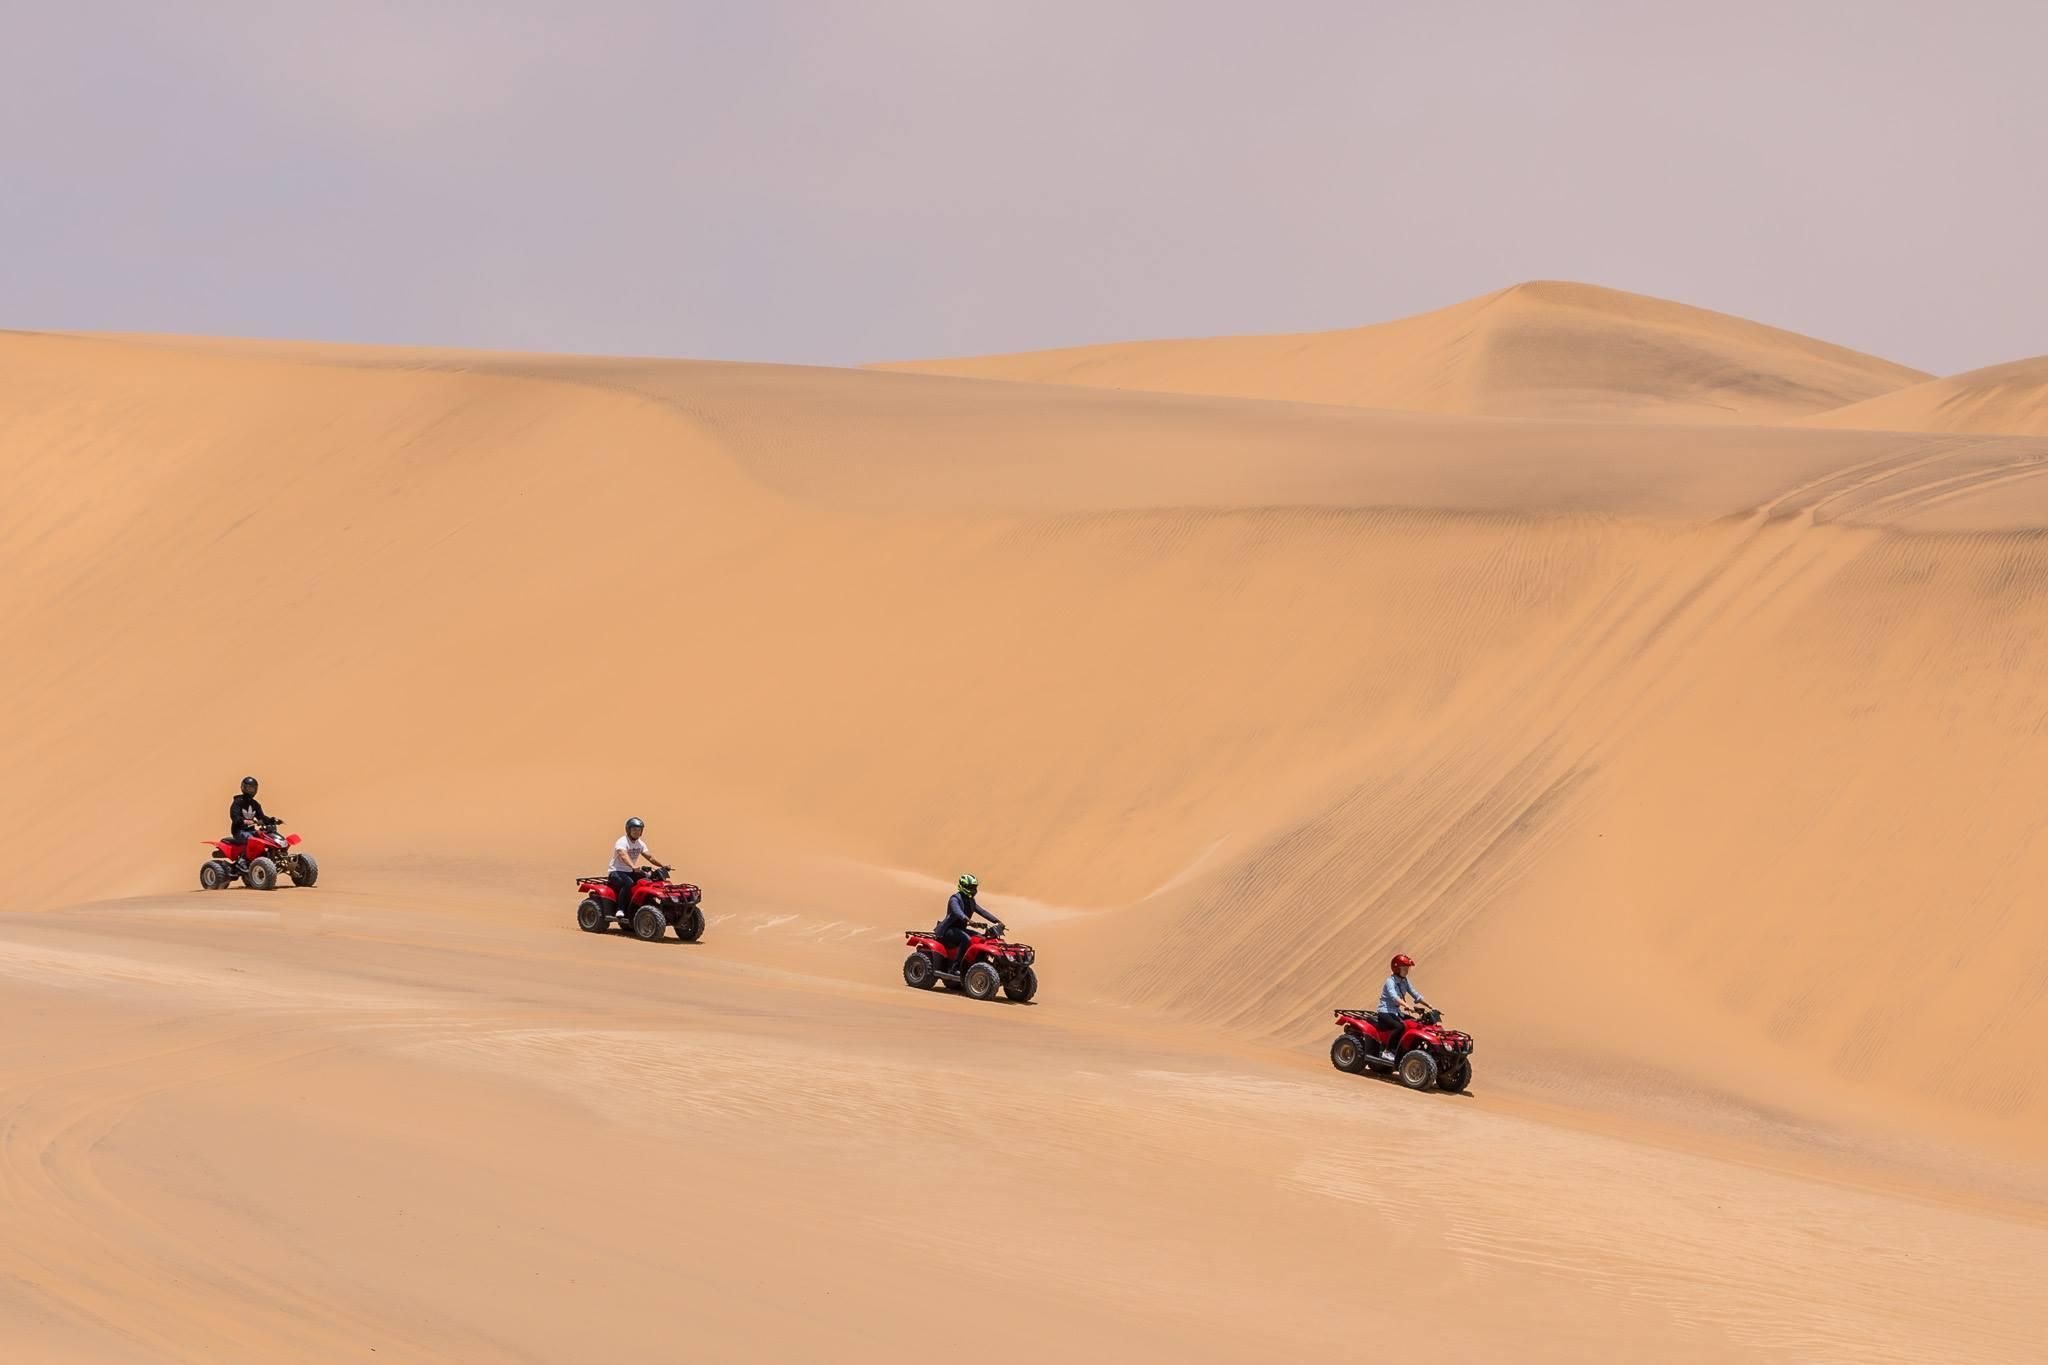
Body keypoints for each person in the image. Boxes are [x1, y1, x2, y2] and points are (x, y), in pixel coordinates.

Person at [936, 873, 1005, 974]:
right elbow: (957, 911)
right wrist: (968, 920)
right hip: (948, 930)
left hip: (960, 929)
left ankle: (974, 963)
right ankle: (955, 968)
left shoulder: (970, 901)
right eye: (971, 887)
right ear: (963, 886)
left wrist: (997, 921)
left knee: (981, 938)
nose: (973, 890)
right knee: (966, 939)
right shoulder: (955, 899)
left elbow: (982, 911)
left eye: (974, 887)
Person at [1374, 953, 1432, 1058]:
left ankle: (1405, 1049)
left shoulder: (1404, 981)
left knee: (1414, 1023)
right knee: (1399, 1027)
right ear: (1397, 969)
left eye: (1407, 969)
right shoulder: (1389, 981)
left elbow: (1415, 993)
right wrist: (1407, 1005)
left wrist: (1429, 1005)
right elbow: (1394, 997)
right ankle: (1388, 1051)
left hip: (1396, 1012)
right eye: (1404, 968)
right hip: (1385, 1011)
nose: (1406, 971)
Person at [607, 817, 668, 917]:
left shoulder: (640, 843)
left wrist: (663, 866)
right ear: (628, 830)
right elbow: (623, 855)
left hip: (631, 871)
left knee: (648, 880)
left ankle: (640, 905)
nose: (636, 832)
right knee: (628, 883)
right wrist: (633, 866)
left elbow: (650, 857)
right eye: (634, 829)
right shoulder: (622, 842)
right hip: (616, 871)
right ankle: (620, 909)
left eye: (639, 830)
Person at [227, 776, 272, 870]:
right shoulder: (238, 802)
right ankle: (242, 861)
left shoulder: (255, 804)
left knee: (265, 838)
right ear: (243, 788)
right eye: (249, 788)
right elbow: (234, 816)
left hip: (251, 830)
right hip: (239, 831)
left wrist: (271, 820)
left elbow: (261, 817)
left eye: (253, 788)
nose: (252, 791)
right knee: (251, 839)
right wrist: (243, 821)